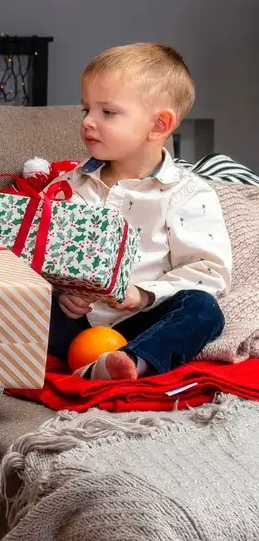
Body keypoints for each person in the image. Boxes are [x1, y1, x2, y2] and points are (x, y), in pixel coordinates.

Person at [49, 43, 231, 380]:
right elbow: (38, 250)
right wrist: (61, 293)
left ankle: (132, 363)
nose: (88, 122)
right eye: (85, 109)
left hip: (142, 323)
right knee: (18, 302)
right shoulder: (68, 186)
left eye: (107, 112)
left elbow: (210, 272)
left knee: (204, 310)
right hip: (71, 324)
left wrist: (144, 295)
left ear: (159, 125)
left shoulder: (187, 194)